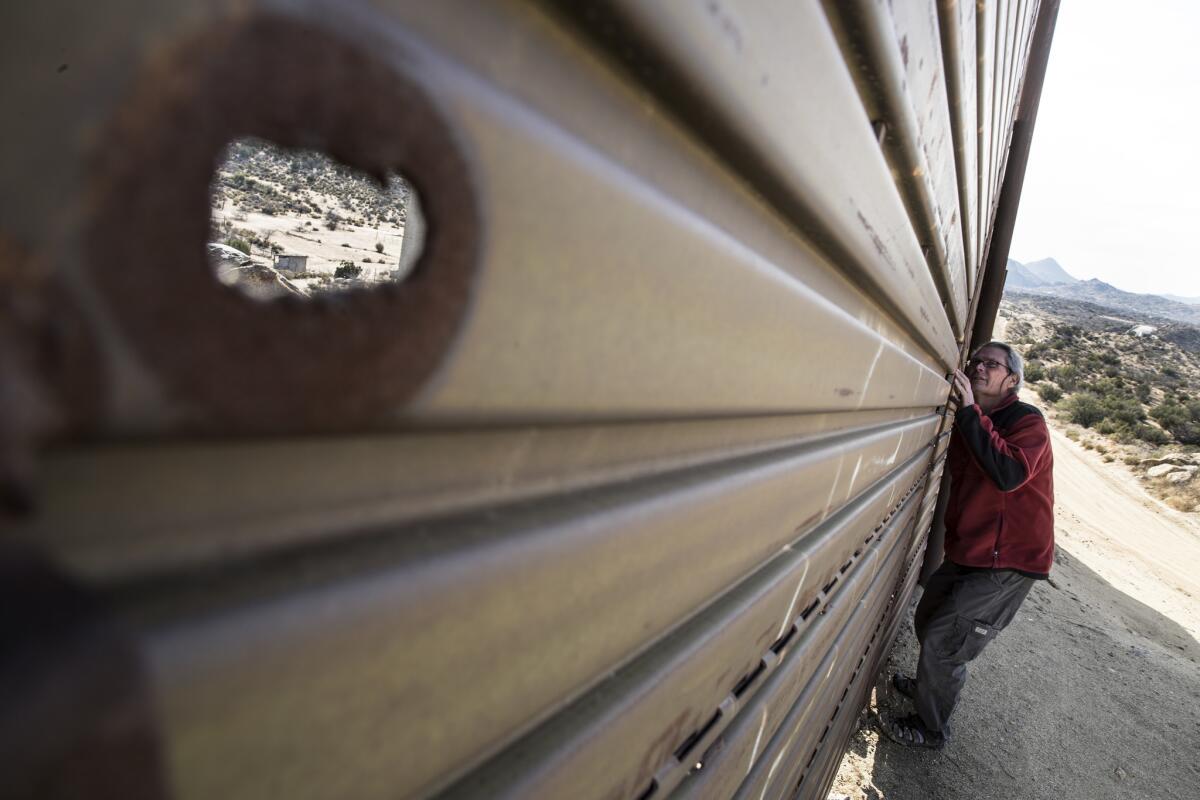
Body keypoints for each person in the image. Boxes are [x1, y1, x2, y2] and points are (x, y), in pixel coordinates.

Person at [884, 341, 1054, 748]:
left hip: (1009, 560)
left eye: (990, 364)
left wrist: (968, 413)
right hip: (973, 551)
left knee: (947, 641)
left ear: (1011, 380)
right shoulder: (973, 417)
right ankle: (933, 688)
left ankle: (931, 729)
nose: (978, 367)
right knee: (929, 619)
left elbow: (1008, 472)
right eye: (975, 360)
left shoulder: (1027, 422)